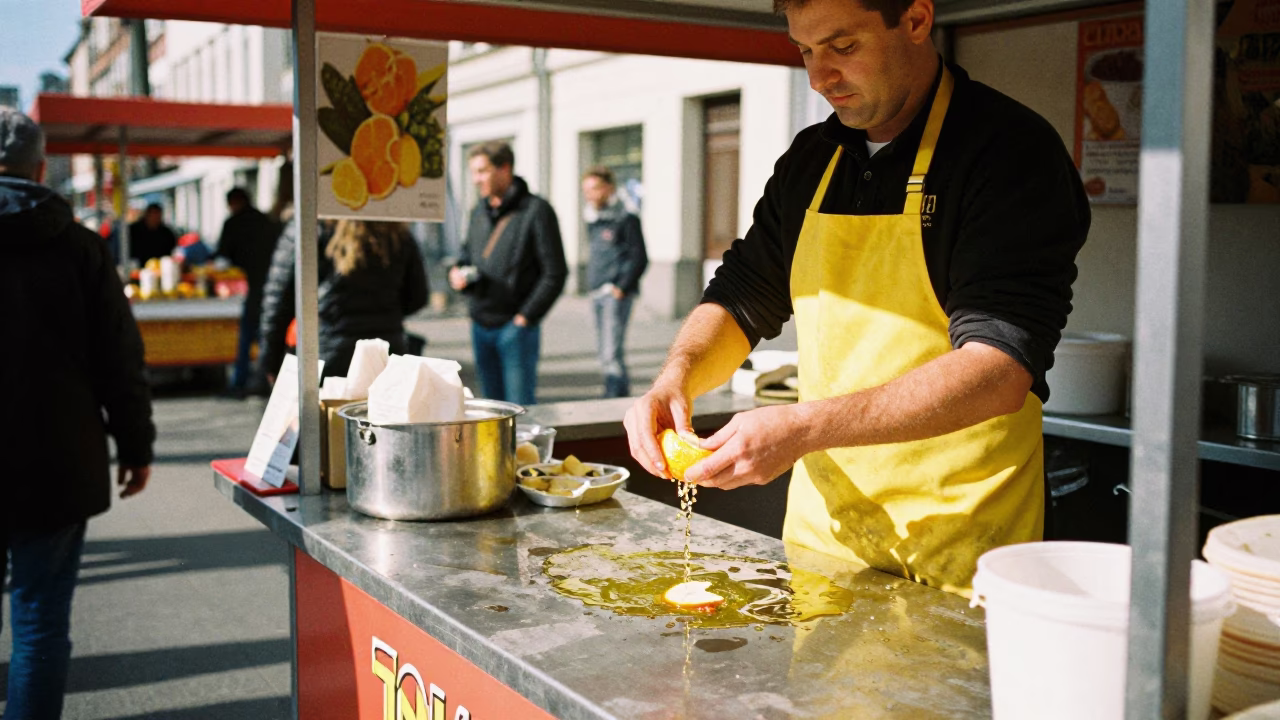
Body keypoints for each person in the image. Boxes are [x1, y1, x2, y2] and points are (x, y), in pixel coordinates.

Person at [624, 0, 1090, 596]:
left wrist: (800, 427)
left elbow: (998, 369)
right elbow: (742, 297)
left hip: (959, 547)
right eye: (806, 51)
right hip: (825, 544)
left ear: (917, 21)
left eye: (843, 47)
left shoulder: (1007, 153)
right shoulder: (812, 159)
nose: (819, 77)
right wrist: (676, 380)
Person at [0, 108, 155, 717]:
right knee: (40, 623)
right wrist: (136, 448)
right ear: (41, 167)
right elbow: (120, 359)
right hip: (56, 461)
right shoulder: (80, 248)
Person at [449, 141, 567, 406]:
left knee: (519, 410)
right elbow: (467, 255)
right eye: (473, 172)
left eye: (482, 171)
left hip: (515, 329)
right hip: (481, 324)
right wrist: (458, 274)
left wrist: (525, 318)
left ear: (505, 168)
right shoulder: (478, 211)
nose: (476, 180)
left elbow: (555, 273)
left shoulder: (536, 211)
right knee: (490, 410)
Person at [259, 219, 429, 381]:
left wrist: (271, 362)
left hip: (324, 352)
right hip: (385, 353)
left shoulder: (309, 224)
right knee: (379, 410)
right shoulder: (396, 232)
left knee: (324, 410)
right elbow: (418, 297)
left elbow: (278, 301)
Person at [582, 166, 648, 398]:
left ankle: (614, 398)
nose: (589, 195)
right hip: (597, 291)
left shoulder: (626, 217)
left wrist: (621, 286)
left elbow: (639, 257)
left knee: (612, 351)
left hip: (615, 294)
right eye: (586, 190)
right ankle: (617, 396)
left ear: (609, 188)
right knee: (603, 351)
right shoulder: (593, 218)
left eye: (595, 188)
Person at [216, 187, 282, 397]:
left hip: (251, 285)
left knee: (247, 335)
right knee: (265, 333)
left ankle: (241, 381)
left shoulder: (233, 223)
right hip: (270, 283)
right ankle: (263, 378)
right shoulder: (265, 221)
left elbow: (223, 255)